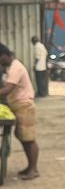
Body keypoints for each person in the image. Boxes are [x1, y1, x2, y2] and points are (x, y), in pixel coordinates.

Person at [0, 43, 40, 180]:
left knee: (29, 138)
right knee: (22, 136)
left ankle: (34, 169)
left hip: (24, 106)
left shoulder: (16, 67)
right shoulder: (9, 67)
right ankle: (30, 166)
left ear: (5, 56)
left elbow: (7, 89)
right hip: (17, 106)